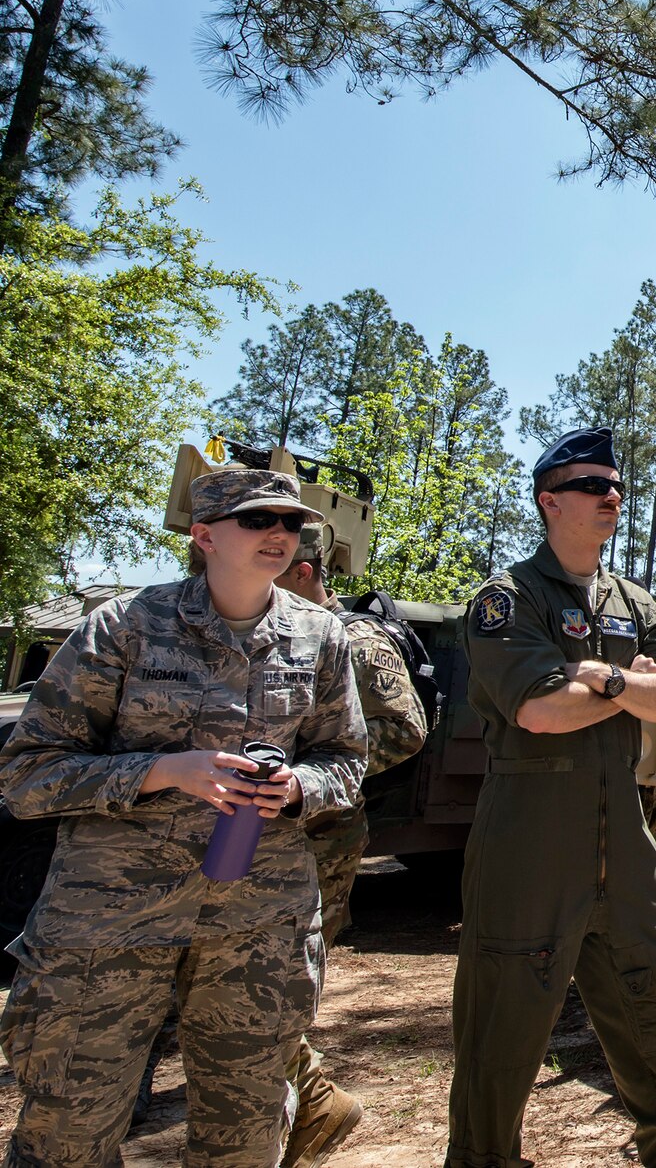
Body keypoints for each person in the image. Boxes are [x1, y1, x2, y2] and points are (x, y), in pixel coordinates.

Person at [0, 468, 367, 1168]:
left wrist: (295, 786)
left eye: (291, 523)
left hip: (257, 929)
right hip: (108, 925)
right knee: (65, 1140)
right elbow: (26, 773)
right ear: (204, 536)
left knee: (245, 1139)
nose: (280, 534)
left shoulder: (322, 636)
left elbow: (346, 763)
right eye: (258, 520)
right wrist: (164, 771)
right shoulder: (126, 626)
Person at [447, 427, 656, 1168]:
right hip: (530, 841)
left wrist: (599, 680)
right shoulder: (507, 598)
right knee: (503, 1029)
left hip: (625, 842)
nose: (611, 496)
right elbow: (540, 710)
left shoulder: (634, 601)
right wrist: (624, 686)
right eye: (591, 486)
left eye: (616, 487)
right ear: (549, 502)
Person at [271, 521, 429, 1168]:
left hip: (325, 834)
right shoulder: (282, 637)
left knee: (277, 978)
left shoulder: (359, 640)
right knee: (260, 977)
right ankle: (303, 1098)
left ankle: (313, 1101)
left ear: (306, 571)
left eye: (279, 567)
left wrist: (327, 768)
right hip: (274, 828)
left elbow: (408, 729)